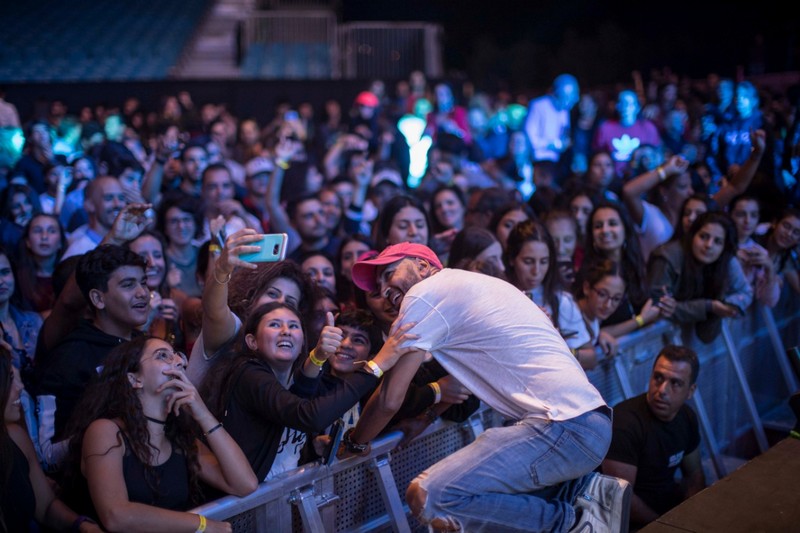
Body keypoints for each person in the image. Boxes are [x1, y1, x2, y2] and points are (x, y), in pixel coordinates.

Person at [347, 242, 632, 532]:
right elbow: (471, 378)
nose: (383, 289)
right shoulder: (471, 287)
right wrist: (427, 417)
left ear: (423, 266)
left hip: (561, 426)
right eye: (378, 284)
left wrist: (353, 444)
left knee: (432, 495)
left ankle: (575, 522)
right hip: (587, 423)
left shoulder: (424, 294)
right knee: (458, 519)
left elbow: (388, 400)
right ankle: (583, 496)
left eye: (389, 273)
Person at [201, 301, 414, 481]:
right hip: (248, 507)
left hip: (284, 492)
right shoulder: (248, 373)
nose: (286, 330)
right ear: (252, 341)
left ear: (303, 339)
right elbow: (308, 416)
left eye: (294, 326)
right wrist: (374, 367)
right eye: (275, 324)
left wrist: (312, 448)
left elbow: (300, 393)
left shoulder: (288, 378)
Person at [62, 336, 257, 531]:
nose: (178, 362)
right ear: (134, 379)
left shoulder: (179, 436)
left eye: (177, 356)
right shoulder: (105, 431)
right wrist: (202, 525)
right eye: (162, 356)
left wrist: (202, 413)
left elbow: (244, 484)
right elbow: (116, 515)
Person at [602, 345, 705, 530]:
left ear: (690, 391)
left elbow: (694, 474)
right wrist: (665, 525)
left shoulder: (687, 417)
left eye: (675, 383)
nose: (663, 390)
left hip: (668, 510)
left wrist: (691, 514)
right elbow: (621, 499)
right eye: (658, 378)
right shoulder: (625, 424)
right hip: (629, 522)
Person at [1, 346, 102, 533]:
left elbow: (46, 507)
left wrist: (82, 525)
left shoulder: (15, 437)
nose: (20, 388)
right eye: (10, 380)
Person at [647, 211, 753, 343]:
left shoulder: (726, 259)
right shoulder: (666, 258)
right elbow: (658, 306)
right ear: (692, 235)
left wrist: (729, 304)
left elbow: (745, 292)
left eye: (718, 241)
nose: (709, 245)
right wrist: (710, 306)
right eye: (703, 236)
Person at [524, 73, 580, 186]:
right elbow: (530, 136)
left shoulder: (564, 110)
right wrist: (553, 145)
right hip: (539, 160)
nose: (569, 103)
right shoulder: (538, 105)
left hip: (558, 161)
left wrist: (564, 143)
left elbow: (564, 132)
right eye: (566, 98)